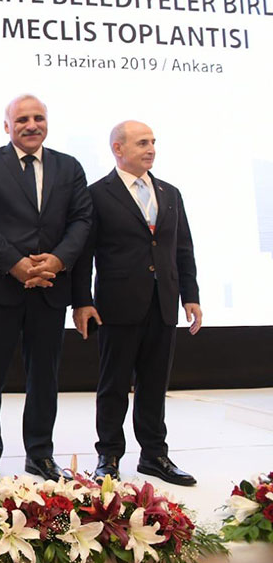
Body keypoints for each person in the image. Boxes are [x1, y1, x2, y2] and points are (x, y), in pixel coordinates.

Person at [0, 94, 92, 484]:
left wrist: (57, 260)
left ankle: (39, 454)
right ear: (7, 126)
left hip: (51, 287)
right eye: (22, 119)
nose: (31, 125)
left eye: (38, 117)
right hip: (0, 289)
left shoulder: (69, 167)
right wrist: (16, 265)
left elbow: (82, 220)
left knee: (44, 378)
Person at [72, 121, 201, 486]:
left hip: (163, 303)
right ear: (118, 148)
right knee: (113, 385)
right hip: (117, 305)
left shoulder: (169, 193)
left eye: (153, 142)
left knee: (155, 384)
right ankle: (109, 455)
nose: (151, 149)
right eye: (142, 142)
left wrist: (190, 296)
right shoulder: (97, 194)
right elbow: (83, 255)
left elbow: (182, 248)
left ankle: (154, 455)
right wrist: (81, 301)